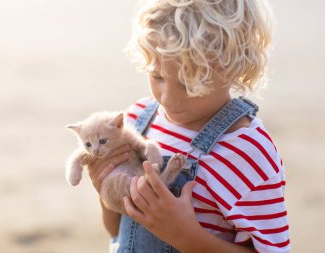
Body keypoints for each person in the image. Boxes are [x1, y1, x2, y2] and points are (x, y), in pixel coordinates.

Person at [87, 0, 290, 252]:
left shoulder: (247, 152)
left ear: (233, 65)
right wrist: (105, 193)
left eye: (188, 82)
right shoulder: (135, 122)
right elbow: (117, 232)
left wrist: (187, 237)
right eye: (157, 76)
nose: (169, 98)